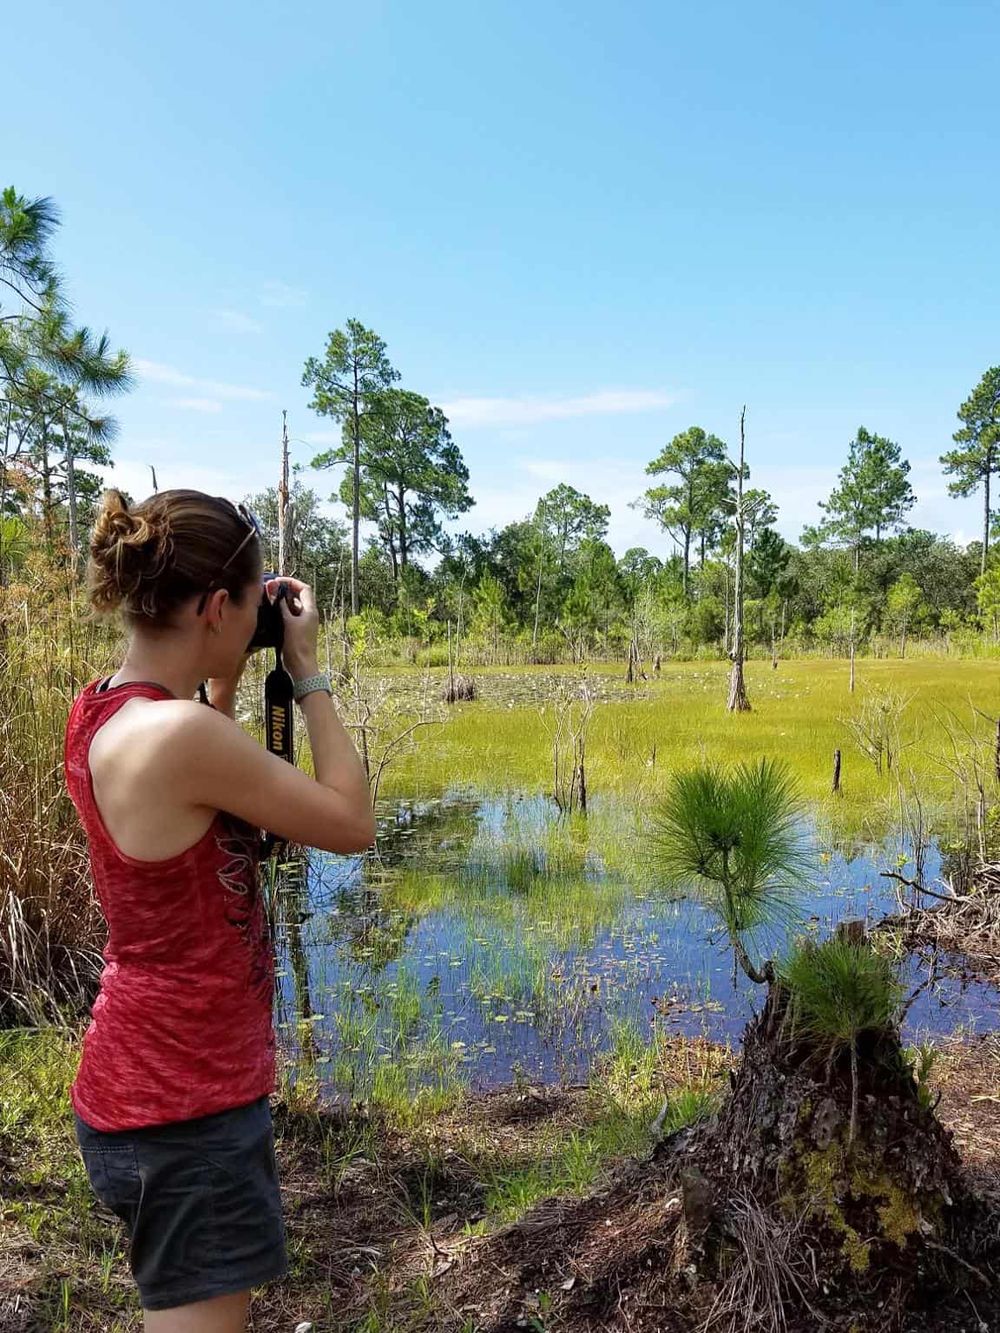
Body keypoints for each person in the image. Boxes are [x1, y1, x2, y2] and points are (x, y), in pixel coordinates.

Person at [63, 488, 375, 1333]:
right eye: (248, 601)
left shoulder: (105, 709)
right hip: (183, 1109)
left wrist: (227, 672)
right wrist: (305, 673)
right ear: (213, 607)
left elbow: (198, 801)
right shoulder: (179, 738)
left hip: (150, 1083)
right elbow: (352, 820)